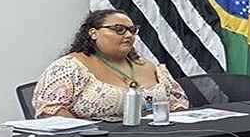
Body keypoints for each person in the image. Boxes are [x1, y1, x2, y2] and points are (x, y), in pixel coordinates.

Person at [33, 11, 189, 121]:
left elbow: (178, 104)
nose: (128, 35)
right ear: (93, 33)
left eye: (132, 30)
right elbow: (50, 110)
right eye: (119, 30)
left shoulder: (150, 66)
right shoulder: (69, 67)